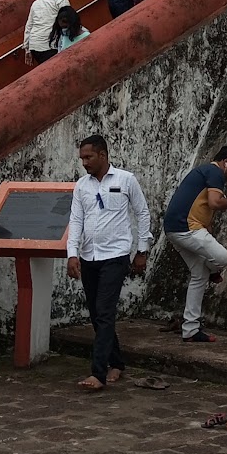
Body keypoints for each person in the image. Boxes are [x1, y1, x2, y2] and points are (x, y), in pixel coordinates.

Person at [66, 135, 151, 391]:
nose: (84, 162)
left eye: (88, 157)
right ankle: (117, 362)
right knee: (96, 314)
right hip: (89, 256)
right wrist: (72, 253)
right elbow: (76, 220)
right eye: (82, 158)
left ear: (103, 155)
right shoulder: (82, 186)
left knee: (104, 312)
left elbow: (142, 212)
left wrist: (142, 250)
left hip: (115, 256)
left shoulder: (126, 180)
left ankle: (98, 373)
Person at [164, 146, 227, 342]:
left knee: (199, 276)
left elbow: (203, 208)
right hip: (186, 228)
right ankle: (213, 271)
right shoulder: (215, 171)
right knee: (223, 257)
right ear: (226, 162)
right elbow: (215, 203)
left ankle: (190, 329)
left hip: (174, 228)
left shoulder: (204, 171)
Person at [23, 0, 70, 65]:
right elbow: (69, 20)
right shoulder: (61, 0)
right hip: (50, 46)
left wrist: (27, 49)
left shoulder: (36, 3)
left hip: (35, 46)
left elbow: (29, 26)